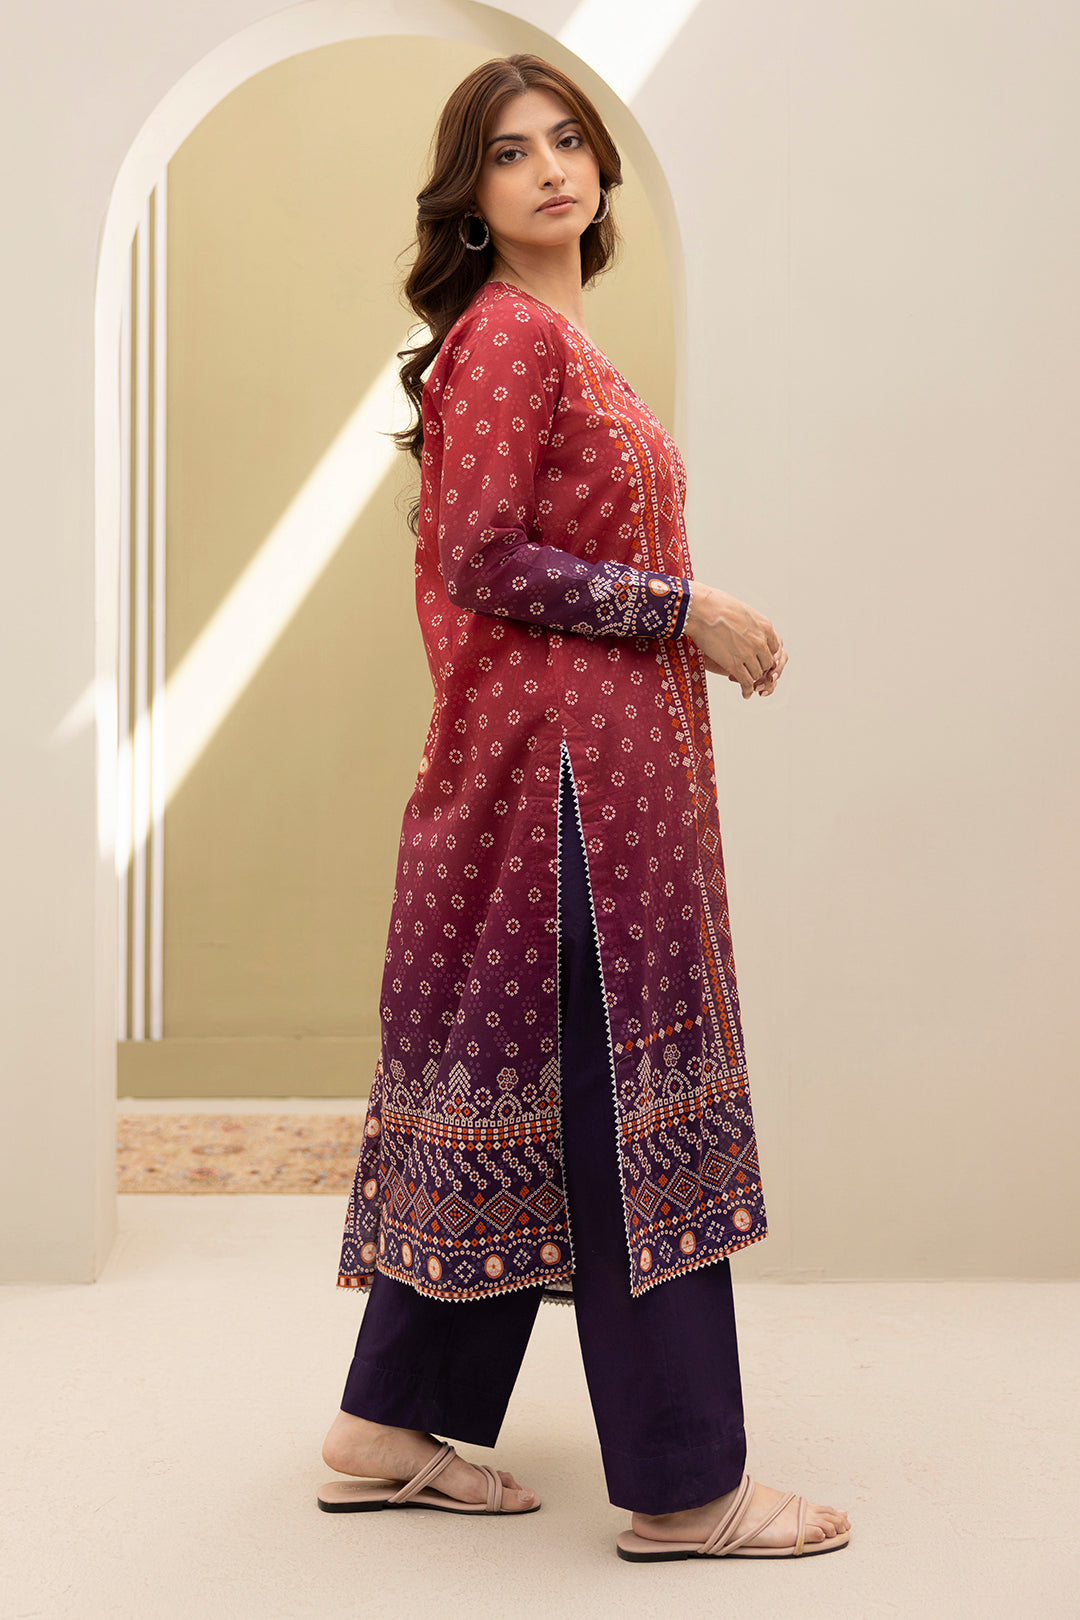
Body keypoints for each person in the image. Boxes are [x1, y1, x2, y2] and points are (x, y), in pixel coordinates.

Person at [319, 54, 851, 1561]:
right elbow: (482, 556)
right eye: (509, 152)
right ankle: (685, 1485)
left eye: (569, 140)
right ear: (470, 194)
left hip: (598, 788)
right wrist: (684, 608)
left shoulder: (554, 336)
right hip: (563, 801)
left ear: (601, 164)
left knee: (529, 1090)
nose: (550, 167)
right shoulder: (506, 339)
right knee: (624, 1103)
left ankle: (386, 1428)